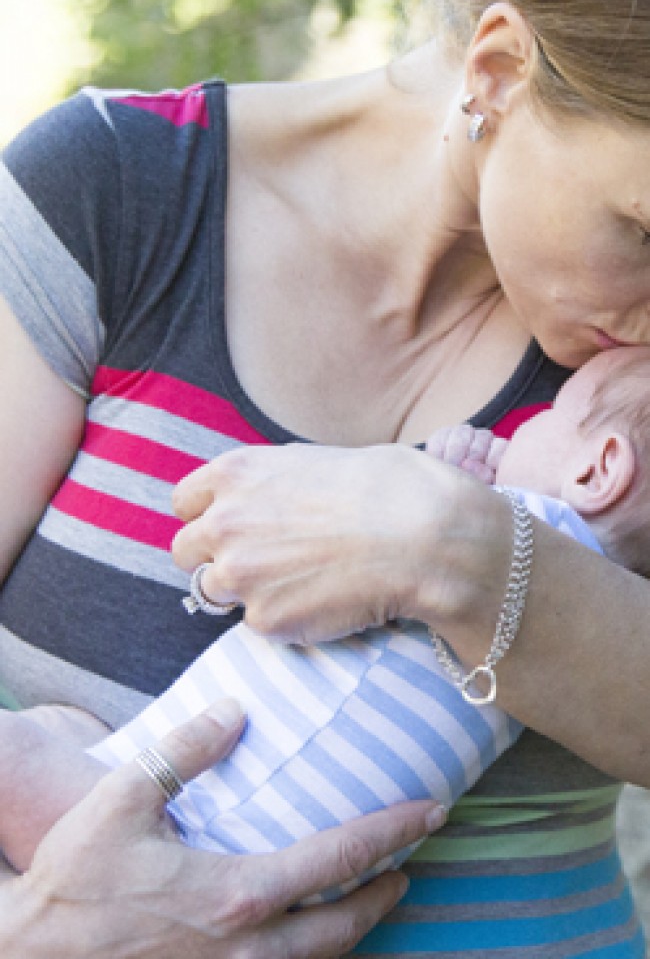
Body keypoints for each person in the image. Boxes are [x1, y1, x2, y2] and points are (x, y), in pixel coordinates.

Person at [1, 0, 650, 954]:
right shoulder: (116, 196)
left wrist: (463, 553)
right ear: (495, 71)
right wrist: (31, 935)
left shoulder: (624, 396)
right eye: (645, 233)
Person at [0, 346, 647, 895]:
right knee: (61, 728)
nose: (517, 429)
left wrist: (447, 475)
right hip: (265, 867)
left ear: (598, 469)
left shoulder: (504, 531)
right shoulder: (584, 617)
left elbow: (306, 582)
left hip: (185, 829)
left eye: (549, 414)